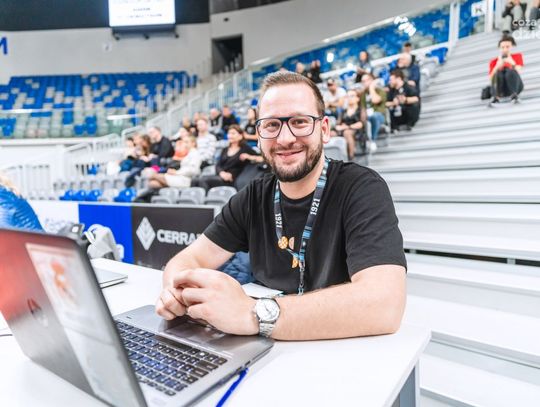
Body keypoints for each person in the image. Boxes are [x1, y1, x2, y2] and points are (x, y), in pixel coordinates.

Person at [156, 71, 406, 340]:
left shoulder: (361, 188)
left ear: (324, 129)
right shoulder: (252, 196)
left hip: (340, 352)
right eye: (272, 125)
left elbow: (384, 305)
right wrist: (176, 293)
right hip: (266, 351)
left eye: (299, 122)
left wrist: (254, 314)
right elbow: (188, 259)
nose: (285, 138)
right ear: (259, 134)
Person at [193, 125, 261, 191]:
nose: (230, 136)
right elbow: (218, 165)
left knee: (204, 181)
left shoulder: (245, 148)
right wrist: (221, 173)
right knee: (195, 180)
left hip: (232, 179)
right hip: (221, 175)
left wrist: (249, 157)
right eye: (229, 133)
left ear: (240, 136)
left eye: (233, 133)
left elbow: (262, 158)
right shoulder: (225, 149)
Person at [489, 35, 524, 104]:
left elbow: (519, 71)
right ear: (499, 48)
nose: (505, 49)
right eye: (502, 47)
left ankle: (514, 95)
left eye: (507, 47)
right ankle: (496, 97)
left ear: (512, 46)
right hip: (501, 90)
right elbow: (491, 78)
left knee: (510, 71)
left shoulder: (517, 56)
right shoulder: (493, 61)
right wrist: (497, 66)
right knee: (498, 73)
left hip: (516, 87)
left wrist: (512, 63)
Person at [360, 73, 388, 150]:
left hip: (380, 116)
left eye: (366, 80)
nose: (364, 83)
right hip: (368, 116)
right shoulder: (363, 94)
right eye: (363, 81)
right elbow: (363, 109)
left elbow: (375, 100)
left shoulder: (380, 91)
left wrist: (371, 88)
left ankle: (372, 140)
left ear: (371, 80)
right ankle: (366, 141)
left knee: (374, 116)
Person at [335, 89, 364, 158]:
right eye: (347, 96)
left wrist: (348, 127)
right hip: (343, 129)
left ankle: (350, 157)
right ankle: (335, 157)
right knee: (332, 133)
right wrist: (340, 127)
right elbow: (337, 125)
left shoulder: (360, 110)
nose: (349, 98)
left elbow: (361, 124)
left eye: (352, 96)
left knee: (347, 132)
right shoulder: (343, 111)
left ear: (358, 98)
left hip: (356, 131)